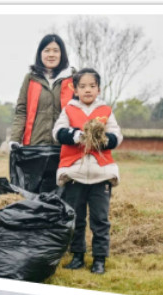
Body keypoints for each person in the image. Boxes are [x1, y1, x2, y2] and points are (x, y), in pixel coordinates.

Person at [54, 68, 122, 274]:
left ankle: (99, 258)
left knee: (100, 219)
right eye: (83, 86)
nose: (88, 90)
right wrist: (75, 135)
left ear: (99, 89)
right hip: (75, 174)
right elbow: (57, 132)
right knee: (76, 217)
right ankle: (77, 255)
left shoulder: (106, 112)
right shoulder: (68, 110)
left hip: (101, 175)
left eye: (92, 86)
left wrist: (104, 139)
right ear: (75, 90)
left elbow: (117, 136)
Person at [10, 34, 75, 193]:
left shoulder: (73, 78)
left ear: (62, 54)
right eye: (47, 50)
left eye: (55, 50)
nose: (51, 54)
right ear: (40, 54)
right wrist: (15, 139)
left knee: (61, 193)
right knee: (32, 194)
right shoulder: (31, 78)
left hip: (63, 146)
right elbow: (21, 110)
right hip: (34, 145)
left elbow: (80, 110)